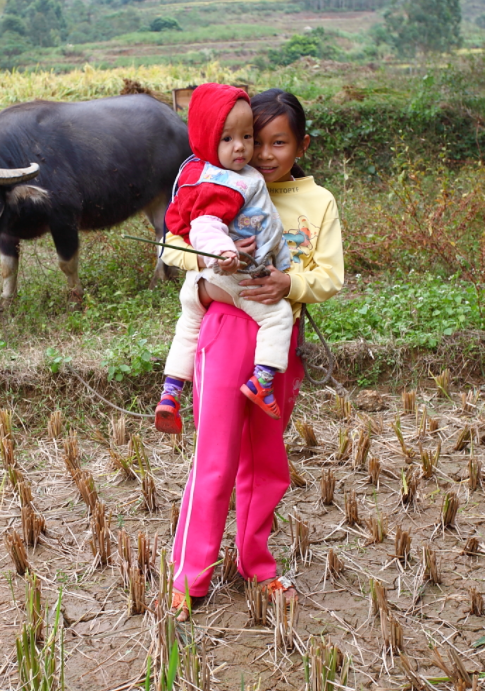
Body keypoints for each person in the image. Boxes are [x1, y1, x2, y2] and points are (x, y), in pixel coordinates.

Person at [160, 88, 345, 620]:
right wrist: (210, 262)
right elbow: (172, 245)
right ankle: (190, 573)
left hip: (276, 339)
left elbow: (329, 276)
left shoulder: (318, 202)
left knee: (266, 457)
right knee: (214, 455)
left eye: (276, 142)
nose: (261, 153)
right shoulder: (219, 182)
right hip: (223, 327)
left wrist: (290, 280)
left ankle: (256, 563)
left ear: (300, 145)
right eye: (251, 140)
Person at [154, 84, 294, 435]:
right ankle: (262, 380)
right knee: (278, 316)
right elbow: (204, 224)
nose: (242, 148)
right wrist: (224, 254)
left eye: (247, 136)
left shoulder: (195, 172)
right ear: (205, 137)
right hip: (228, 274)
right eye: (227, 138)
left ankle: (171, 392)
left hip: (197, 283)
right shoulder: (225, 183)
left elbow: (183, 224)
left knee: (187, 328)